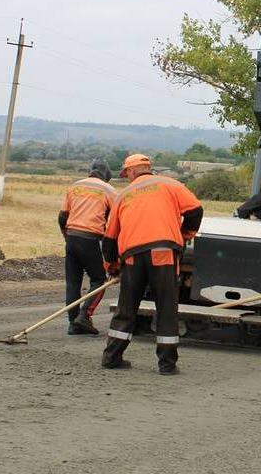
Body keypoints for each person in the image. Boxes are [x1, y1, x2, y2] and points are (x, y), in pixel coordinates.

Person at [101, 154, 202, 375]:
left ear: (132, 171)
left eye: (125, 172)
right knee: (166, 308)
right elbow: (195, 210)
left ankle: (112, 357)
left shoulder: (123, 195)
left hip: (132, 255)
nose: (126, 177)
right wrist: (185, 234)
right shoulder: (171, 185)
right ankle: (167, 365)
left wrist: (111, 265)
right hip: (163, 252)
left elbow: (109, 238)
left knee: (126, 308)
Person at [59, 159, 117, 335]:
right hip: (90, 239)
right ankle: (84, 316)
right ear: (106, 175)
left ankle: (73, 323)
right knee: (99, 280)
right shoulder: (109, 190)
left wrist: (67, 237)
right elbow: (115, 221)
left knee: (73, 283)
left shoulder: (74, 187)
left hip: (71, 238)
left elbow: (62, 218)